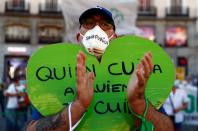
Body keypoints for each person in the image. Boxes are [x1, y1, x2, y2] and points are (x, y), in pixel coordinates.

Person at [26, 6, 173, 131]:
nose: (97, 29)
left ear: (115, 38)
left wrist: (139, 104)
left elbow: (167, 127)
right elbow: (31, 128)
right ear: (79, 37)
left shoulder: (134, 76)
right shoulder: (57, 76)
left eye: (104, 25)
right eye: (89, 24)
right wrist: (77, 106)